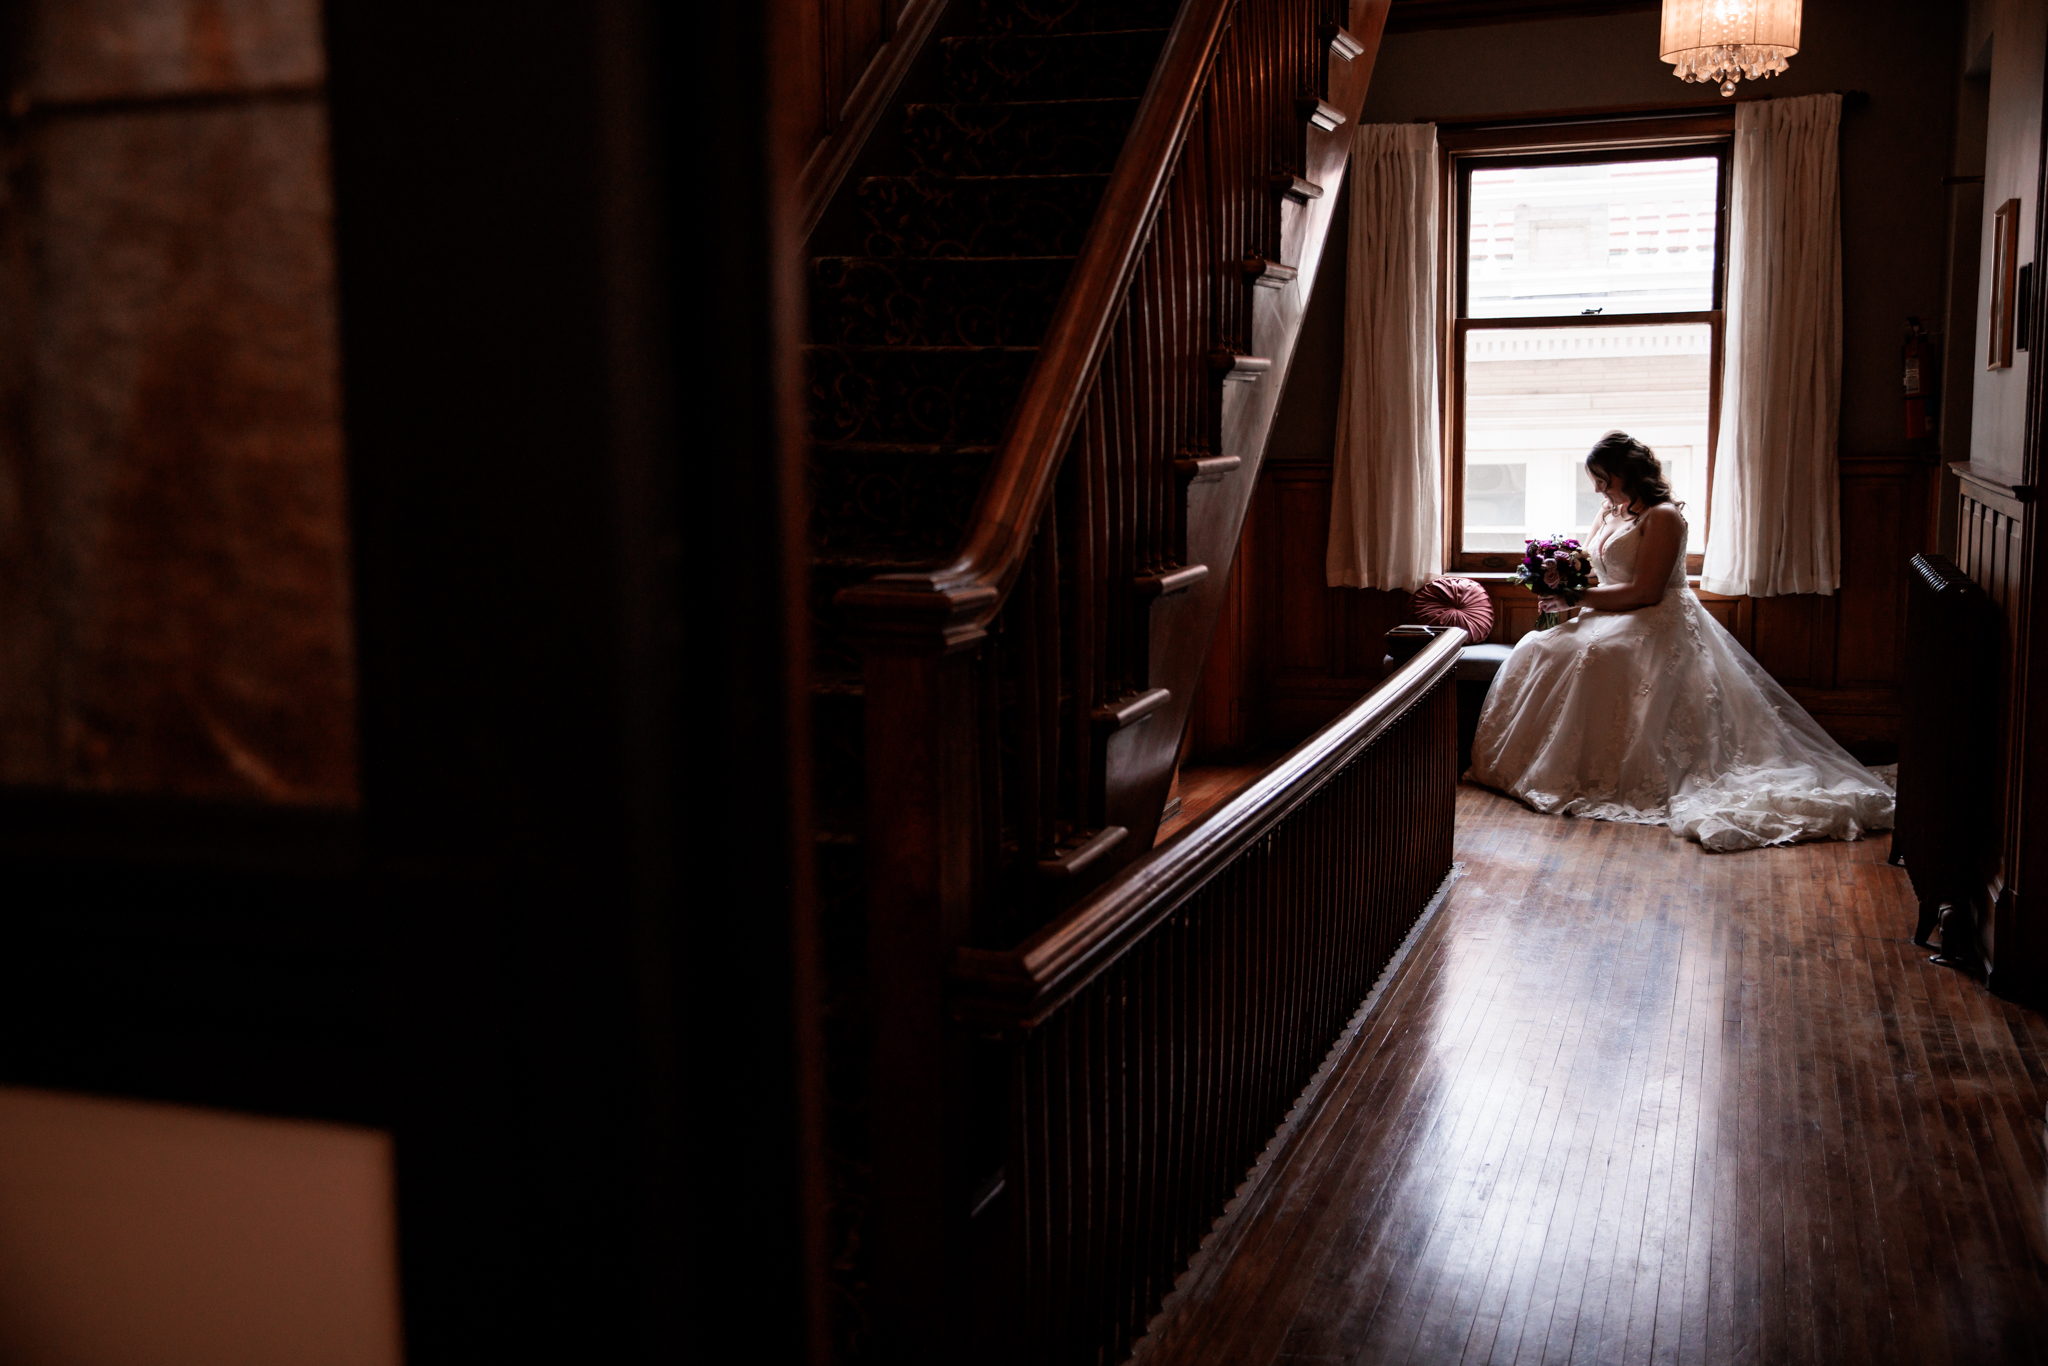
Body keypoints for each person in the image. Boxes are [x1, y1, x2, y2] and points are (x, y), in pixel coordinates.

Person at [1466, 431, 1894, 852]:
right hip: (1608, 610)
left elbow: (1647, 591)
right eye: (1594, 478)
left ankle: (1610, 774)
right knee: (1537, 646)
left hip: (1654, 616)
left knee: (1596, 655)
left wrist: (1573, 598)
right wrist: (1560, 585)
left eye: (1603, 477)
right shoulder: (1610, 510)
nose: (1597, 487)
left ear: (1628, 473)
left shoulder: (1663, 517)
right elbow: (1600, 572)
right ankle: (1535, 765)